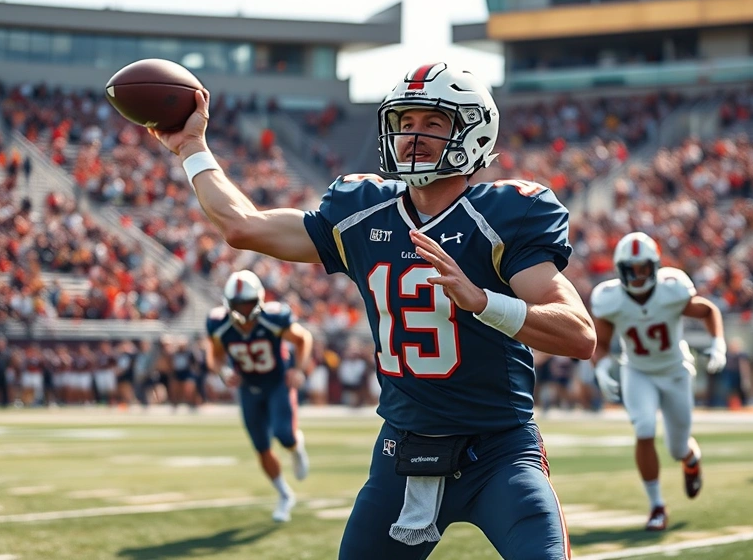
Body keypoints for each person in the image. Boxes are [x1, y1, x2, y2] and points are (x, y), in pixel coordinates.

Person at [148, 61, 595, 559]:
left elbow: (579, 334)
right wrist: (192, 148)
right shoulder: (364, 212)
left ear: (473, 132)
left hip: (499, 452)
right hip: (401, 453)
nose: (413, 136)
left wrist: (484, 301)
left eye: (434, 123)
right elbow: (242, 226)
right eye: (405, 123)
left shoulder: (505, 215)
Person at [590, 232, 727, 532]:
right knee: (644, 428)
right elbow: (600, 343)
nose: (638, 276)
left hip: (675, 371)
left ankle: (690, 459)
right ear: (620, 270)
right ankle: (657, 506)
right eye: (632, 269)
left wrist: (718, 343)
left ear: (654, 267)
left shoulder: (672, 288)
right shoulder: (609, 298)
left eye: (643, 268)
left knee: (678, 448)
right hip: (638, 371)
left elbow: (707, 310)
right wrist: (600, 368)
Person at [205, 269, 313, 523]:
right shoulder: (219, 324)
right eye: (238, 304)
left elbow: (303, 338)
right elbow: (215, 354)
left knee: (284, 435)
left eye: (247, 303)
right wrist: (222, 371)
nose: (243, 311)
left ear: (259, 300)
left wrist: (298, 369)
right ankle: (284, 494)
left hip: (277, 383)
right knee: (262, 449)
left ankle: (296, 447)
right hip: (248, 388)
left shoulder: (273, 318)